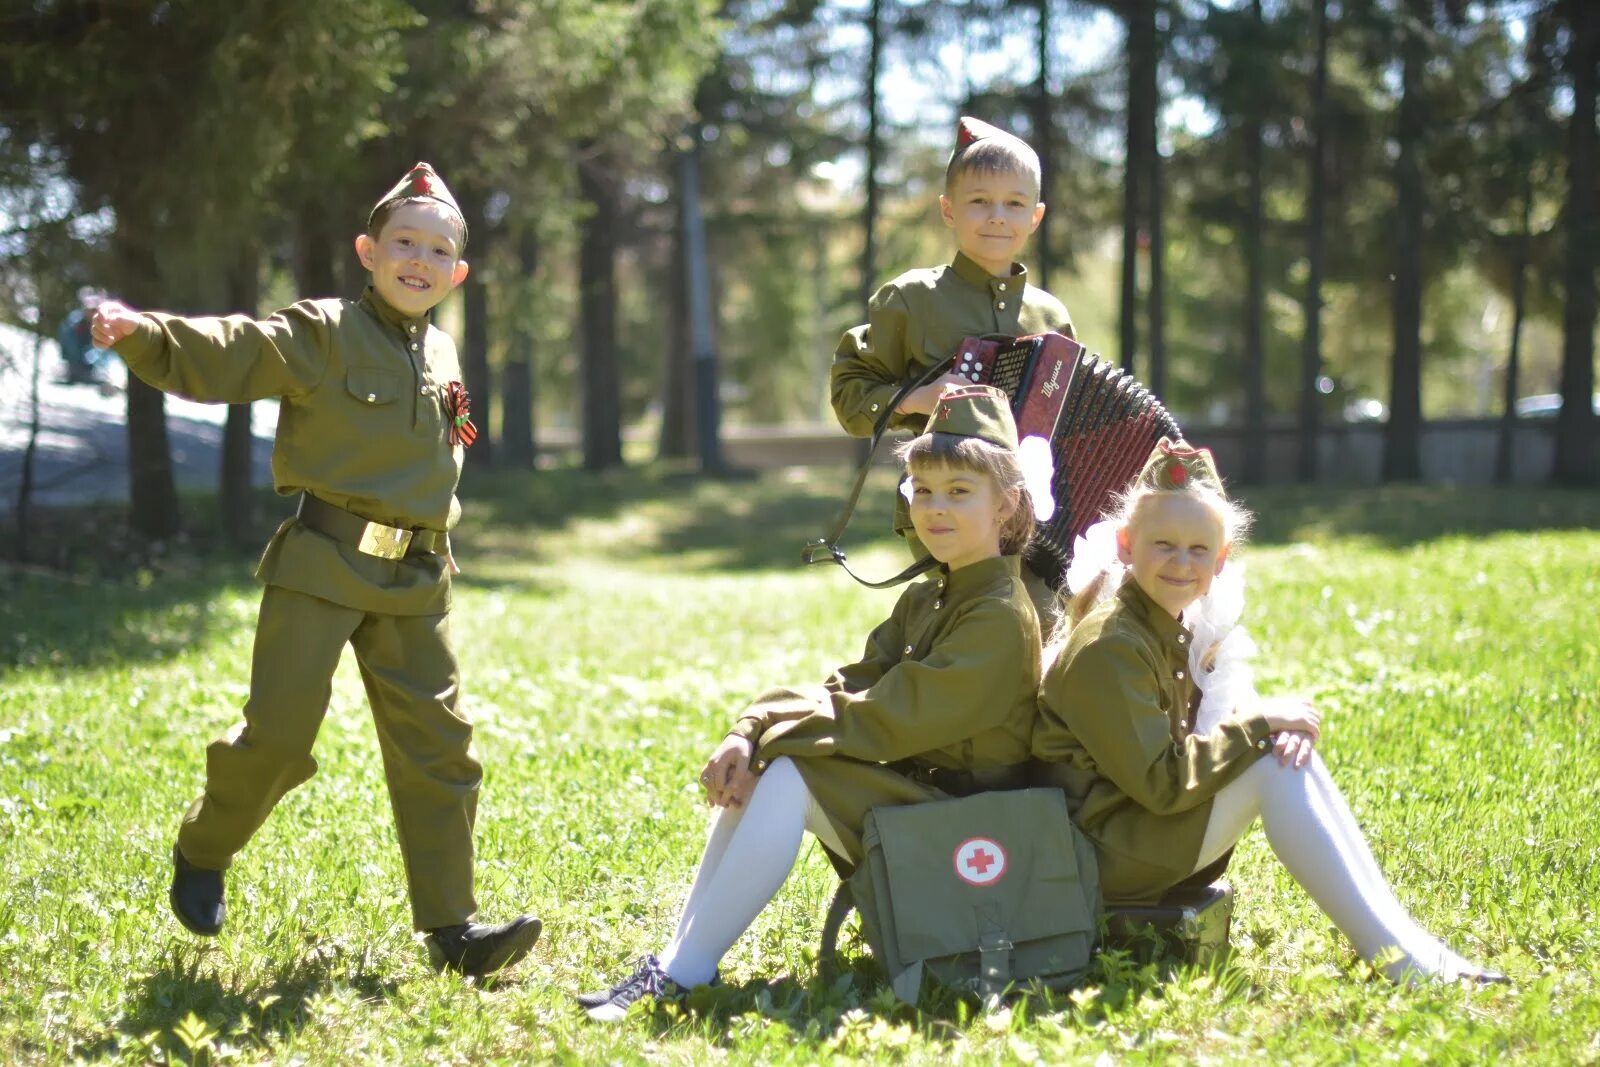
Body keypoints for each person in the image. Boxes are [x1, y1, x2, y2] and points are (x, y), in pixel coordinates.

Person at [89, 162, 540, 978]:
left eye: (439, 249)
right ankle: (206, 846)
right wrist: (148, 335)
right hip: (322, 564)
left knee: (440, 751)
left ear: (458, 273)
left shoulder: (442, 351)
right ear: (369, 251)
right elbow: (240, 349)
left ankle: (455, 928)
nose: (419, 257)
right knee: (281, 735)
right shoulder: (325, 330)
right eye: (404, 241)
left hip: (416, 583)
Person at [578, 384, 1056, 1021]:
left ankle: (684, 972)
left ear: (1008, 505)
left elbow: (884, 719)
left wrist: (767, 739)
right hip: (930, 814)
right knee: (775, 767)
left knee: (792, 772)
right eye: (923, 490)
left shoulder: (998, 616)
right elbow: (848, 685)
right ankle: (678, 963)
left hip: (975, 844)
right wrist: (750, 728)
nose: (935, 509)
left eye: (960, 492)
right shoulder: (931, 596)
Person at [1032, 438, 1507, 986]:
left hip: (1125, 835)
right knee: (1271, 763)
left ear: (1222, 559)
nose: (1181, 563)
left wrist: (1266, 730)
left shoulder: (1154, 624)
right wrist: (1259, 725)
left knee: (1283, 757)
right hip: (1098, 856)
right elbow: (1162, 783)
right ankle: (1402, 960)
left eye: (1198, 550)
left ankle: (1407, 946)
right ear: (1125, 544)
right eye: (1163, 544)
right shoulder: (1111, 643)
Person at [829, 116, 1074, 616]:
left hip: (1036, 515)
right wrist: (919, 398)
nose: (997, 217)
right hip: (944, 504)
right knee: (978, 621)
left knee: (1045, 621)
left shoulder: (1051, 316)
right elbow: (850, 395)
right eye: (979, 201)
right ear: (948, 209)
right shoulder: (912, 298)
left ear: (1036, 217)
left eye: (1014, 204)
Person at [57, 288, 110, 385]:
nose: (93, 313)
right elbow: (69, 344)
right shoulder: (74, 322)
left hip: (91, 363)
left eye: (95, 310)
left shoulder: (99, 324)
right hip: (75, 360)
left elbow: (102, 348)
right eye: (90, 310)